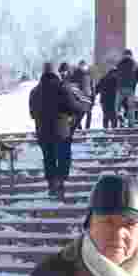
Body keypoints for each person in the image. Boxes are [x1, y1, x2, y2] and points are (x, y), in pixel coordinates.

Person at [29, 62, 90, 200]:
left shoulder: (34, 92)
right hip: (61, 131)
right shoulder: (62, 87)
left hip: (43, 132)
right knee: (63, 157)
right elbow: (73, 106)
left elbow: (32, 113)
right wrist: (83, 107)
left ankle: (51, 184)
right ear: (55, 73)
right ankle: (60, 182)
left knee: (48, 158)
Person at [115, 50, 138, 127]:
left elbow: (117, 75)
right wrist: (133, 86)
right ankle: (131, 124)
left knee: (117, 106)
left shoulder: (119, 64)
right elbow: (137, 77)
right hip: (130, 88)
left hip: (120, 88)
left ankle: (119, 116)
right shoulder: (135, 64)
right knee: (131, 107)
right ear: (131, 55)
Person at [69, 60, 95, 131]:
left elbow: (92, 87)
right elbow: (92, 87)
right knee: (83, 114)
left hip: (85, 97)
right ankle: (83, 128)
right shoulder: (85, 74)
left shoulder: (87, 74)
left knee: (85, 114)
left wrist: (93, 98)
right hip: (83, 97)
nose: (83, 67)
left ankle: (84, 128)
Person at [95, 65, 120, 130]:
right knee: (113, 116)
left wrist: (94, 95)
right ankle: (114, 130)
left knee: (106, 115)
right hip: (112, 100)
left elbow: (97, 88)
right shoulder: (116, 79)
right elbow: (119, 89)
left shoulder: (103, 78)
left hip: (104, 100)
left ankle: (105, 129)